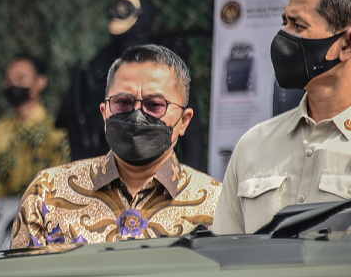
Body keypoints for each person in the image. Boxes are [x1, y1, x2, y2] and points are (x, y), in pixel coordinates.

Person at [13, 44, 221, 247]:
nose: (138, 116)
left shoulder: (215, 203)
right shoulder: (48, 194)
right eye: (123, 103)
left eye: (155, 105)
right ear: (104, 113)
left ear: (184, 121)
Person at [214, 0, 351, 234]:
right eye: (285, 23)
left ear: (346, 44)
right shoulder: (253, 144)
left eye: (298, 25)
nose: (283, 38)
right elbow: (224, 254)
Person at [57, 0, 204, 169]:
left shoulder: (167, 66)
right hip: (103, 171)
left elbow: (191, 134)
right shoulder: (96, 68)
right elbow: (76, 128)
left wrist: (186, 183)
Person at [0, 54, 70, 249]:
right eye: (9, 80)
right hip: (0, 216)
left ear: (40, 82)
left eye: (21, 79)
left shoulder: (57, 132)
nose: (13, 85)